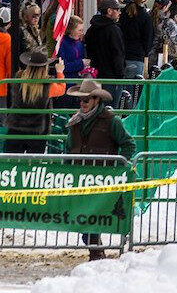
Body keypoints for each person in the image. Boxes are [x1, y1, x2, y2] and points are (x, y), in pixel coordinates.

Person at [65, 79, 135, 260]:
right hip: (79, 177)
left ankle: (95, 252)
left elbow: (128, 144)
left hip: (101, 179)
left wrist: (119, 168)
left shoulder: (112, 121)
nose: (83, 103)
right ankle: (95, 250)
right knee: (82, 217)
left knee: (91, 216)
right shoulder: (75, 122)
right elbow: (68, 148)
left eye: (86, 100)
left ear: (97, 100)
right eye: (81, 100)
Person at [5, 50, 56, 153]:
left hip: (16, 127)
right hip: (37, 130)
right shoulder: (48, 84)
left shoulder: (18, 79)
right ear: (45, 67)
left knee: (11, 163)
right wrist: (60, 72)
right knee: (33, 165)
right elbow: (62, 89)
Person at [120, 0, 154, 100]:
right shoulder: (145, 17)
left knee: (121, 89)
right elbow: (148, 39)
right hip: (136, 56)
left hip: (122, 55)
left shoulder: (123, 13)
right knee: (134, 92)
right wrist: (145, 53)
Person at [8, 3, 44, 76]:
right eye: (33, 16)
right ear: (26, 17)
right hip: (24, 68)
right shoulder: (20, 30)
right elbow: (17, 50)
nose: (36, 18)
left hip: (35, 67)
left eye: (38, 15)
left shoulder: (35, 29)